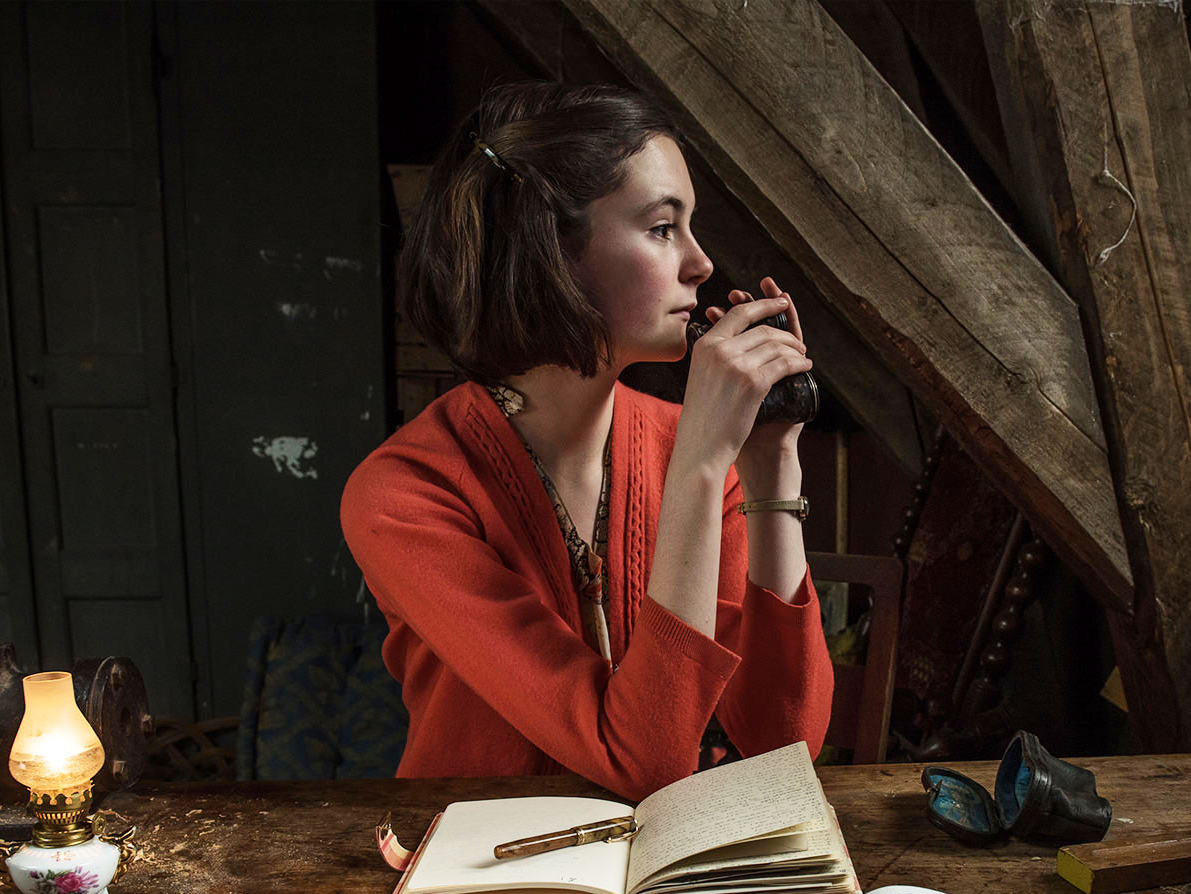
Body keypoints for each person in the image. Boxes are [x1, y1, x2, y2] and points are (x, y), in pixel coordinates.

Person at [342, 82, 833, 802]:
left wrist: (769, 465)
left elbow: (785, 747)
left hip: (664, 876)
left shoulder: (694, 452)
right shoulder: (403, 495)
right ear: (552, 252)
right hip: (479, 882)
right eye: (663, 228)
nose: (699, 264)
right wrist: (700, 462)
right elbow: (643, 759)